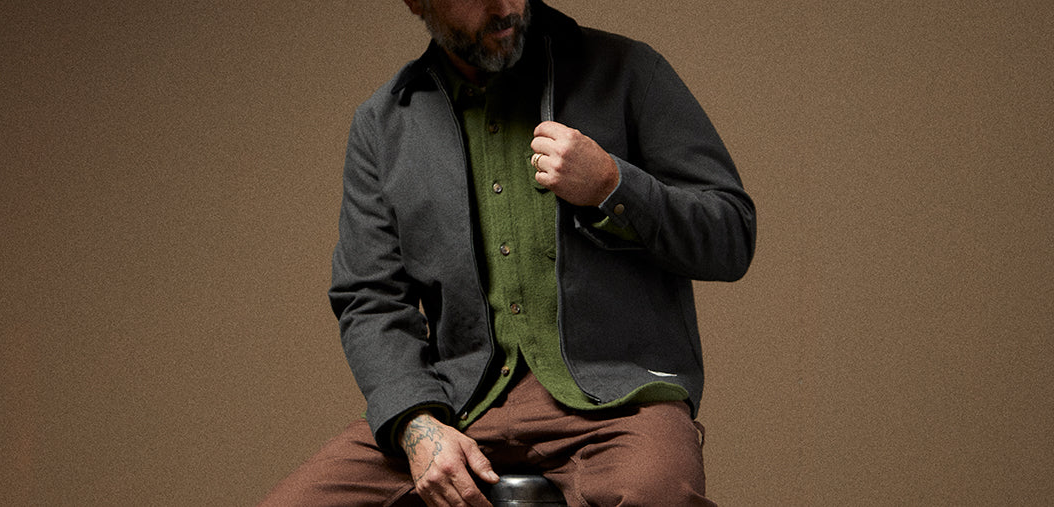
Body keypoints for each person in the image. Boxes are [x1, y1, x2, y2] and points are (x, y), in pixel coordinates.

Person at [260, 0, 755, 505]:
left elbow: (732, 235)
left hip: (618, 405)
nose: (505, 6)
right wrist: (416, 423)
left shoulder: (629, 71)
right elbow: (369, 298)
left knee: (658, 495)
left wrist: (613, 185)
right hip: (456, 404)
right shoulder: (384, 123)